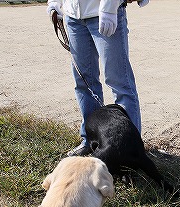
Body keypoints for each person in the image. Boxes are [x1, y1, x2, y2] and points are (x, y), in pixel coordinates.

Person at [47, 0, 149, 156]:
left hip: (105, 12)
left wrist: (109, 8)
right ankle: (91, 141)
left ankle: (132, 149)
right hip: (73, 17)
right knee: (84, 83)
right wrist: (54, 2)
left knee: (119, 82)